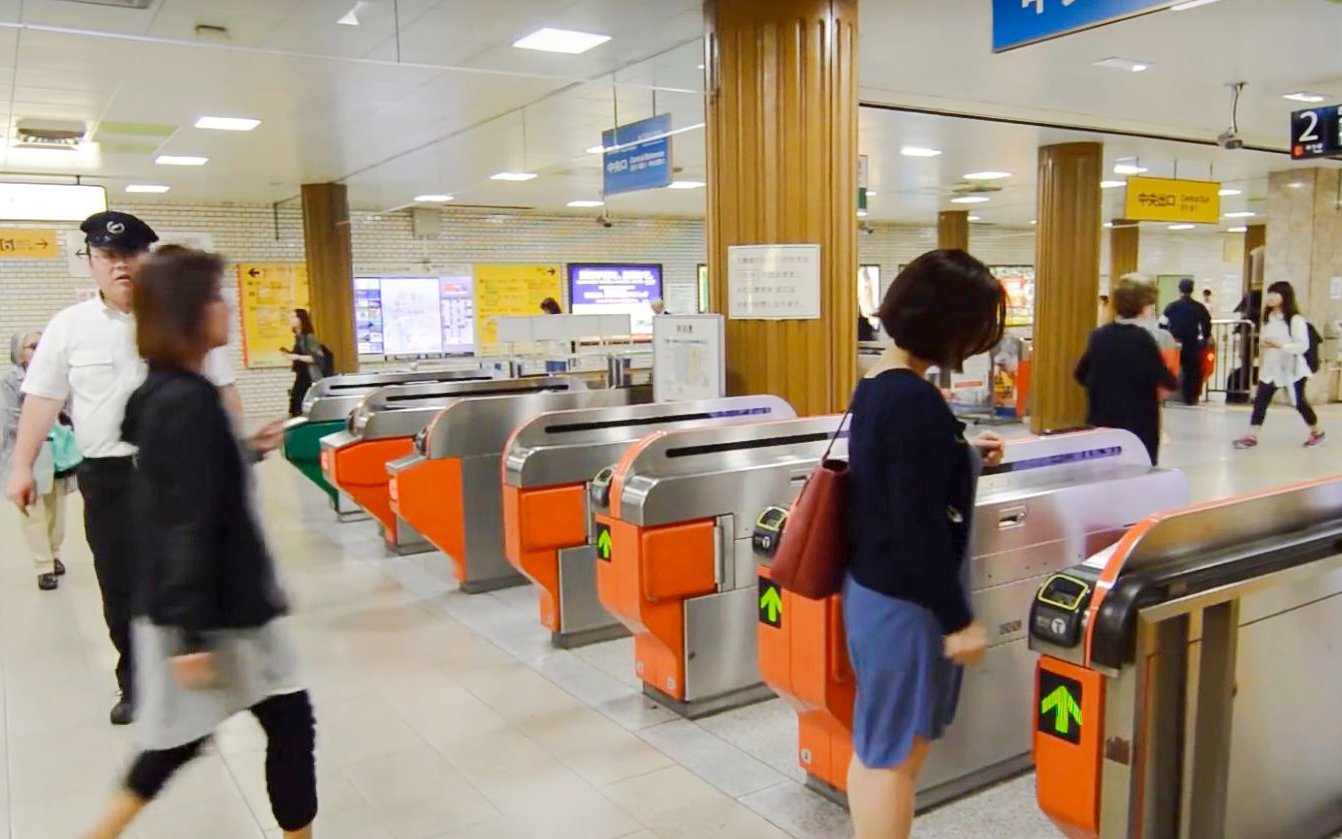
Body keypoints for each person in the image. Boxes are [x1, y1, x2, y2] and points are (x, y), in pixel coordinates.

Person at [4, 212, 284, 726]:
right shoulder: (70, 327)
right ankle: (135, 682)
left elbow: (221, 392)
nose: (120, 267)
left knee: (194, 568)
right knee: (121, 585)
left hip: (179, 475)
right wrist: (21, 465)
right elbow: (42, 399)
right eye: (108, 257)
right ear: (89, 262)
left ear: (148, 260)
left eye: (131, 255)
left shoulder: (178, 316)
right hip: (108, 478)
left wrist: (238, 450)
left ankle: (199, 669)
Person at [84, 248, 316, 839]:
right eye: (215, 297)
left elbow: (190, 482)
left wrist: (246, 449)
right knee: (195, 743)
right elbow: (183, 520)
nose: (226, 309)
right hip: (209, 613)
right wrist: (190, 636)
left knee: (266, 727)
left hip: (209, 606)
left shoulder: (171, 392)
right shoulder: (185, 401)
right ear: (188, 312)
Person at [843, 249, 1007, 839]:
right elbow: (919, 530)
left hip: (872, 591)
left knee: (877, 744)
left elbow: (898, 479)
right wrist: (957, 620)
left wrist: (961, 452)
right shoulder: (914, 401)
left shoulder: (880, 384)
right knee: (896, 761)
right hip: (906, 604)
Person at [1075, 278, 1179, 464]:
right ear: (1142, 305)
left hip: (1102, 419)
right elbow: (1167, 380)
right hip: (1139, 424)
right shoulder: (1144, 340)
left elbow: (1080, 374)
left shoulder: (1099, 336)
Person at [2, 330, 72, 590]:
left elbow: (68, 409)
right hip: (27, 450)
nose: (39, 349)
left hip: (56, 449)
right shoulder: (9, 380)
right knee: (33, 510)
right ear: (19, 352)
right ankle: (43, 565)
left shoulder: (55, 375)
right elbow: (7, 420)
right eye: (33, 346)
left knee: (57, 508)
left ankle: (53, 554)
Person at [1234, 281, 1325, 449]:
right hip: (1271, 369)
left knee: (1299, 402)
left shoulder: (1296, 320)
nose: (1270, 297)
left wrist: (1280, 346)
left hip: (1292, 369)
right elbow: (1267, 337)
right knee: (1260, 401)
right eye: (1269, 293)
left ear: (1285, 297)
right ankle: (1252, 436)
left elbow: (1302, 345)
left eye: (1275, 294)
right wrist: (1264, 343)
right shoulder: (1269, 318)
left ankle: (1317, 431)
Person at [1163, 278, 1213, 406]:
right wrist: (1205, 338)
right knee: (1193, 371)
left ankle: (1167, 394)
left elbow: (1162, 324)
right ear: (1192, 290)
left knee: (1170, 368)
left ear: (1179, 289)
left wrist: (1165, 336)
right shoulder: (1199, 307)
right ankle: (1190, 397)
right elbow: (1206, 323)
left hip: (1174, 342)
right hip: (1191, 342)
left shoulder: (1171, 306)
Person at [280, 308, 324, 417]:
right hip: (301, 375)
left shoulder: (309, 338)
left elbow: (317, 358)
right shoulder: (298, 337)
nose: (291, 320)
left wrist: (296, 357)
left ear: (301, 320)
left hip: (309, 376)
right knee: (295, 400)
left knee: (299, 401)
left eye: (294, 317)